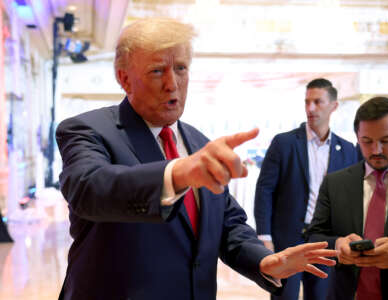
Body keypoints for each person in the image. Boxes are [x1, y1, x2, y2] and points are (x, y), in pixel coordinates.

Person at [55, 18, 337, 300]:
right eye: (157, 71)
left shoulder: (198, 143)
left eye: (180, 68)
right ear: (124, 78)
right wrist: (177, 174)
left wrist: (263, 260)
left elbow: (227, 222)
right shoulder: (87, 130)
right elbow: (90, 189)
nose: (172, 84)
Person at [254, 78, 358, 300]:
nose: (310, 108)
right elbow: (264, 191)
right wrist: (264, 236)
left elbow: (351, 199)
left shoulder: (348, 150)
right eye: (307, 102)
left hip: (324, 241)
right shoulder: (284, 143)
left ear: (334, 106)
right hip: (287, 240)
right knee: (284, 297)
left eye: (318, 102)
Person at [307, 97, 388, 300]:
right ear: (357, 137)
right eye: (367, 141)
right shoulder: (335, 183)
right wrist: (338, 244)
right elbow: (315, 236)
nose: (376, 150)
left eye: (386, 140)